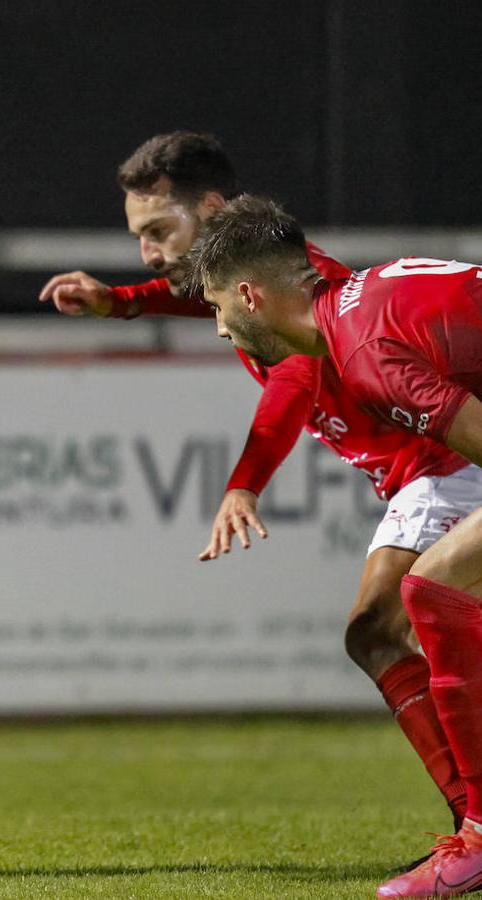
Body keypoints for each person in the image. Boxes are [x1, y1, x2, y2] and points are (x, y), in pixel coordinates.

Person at [38, 132, 470, 831]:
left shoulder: (293, 293)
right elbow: (200, 295)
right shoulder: (258, 280)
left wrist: (244, 483)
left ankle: (473, 825)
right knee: (392, 630)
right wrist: (122, 302)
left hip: (440, 462)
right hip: (424, 468)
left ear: (211, 207)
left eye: (157, 230)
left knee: (379, 628)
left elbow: (297, 375)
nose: (147, 251)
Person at [190, 194, 482, 897]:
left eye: (217, 307)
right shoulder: (365, 296)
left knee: (432, 592)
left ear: (251, 296)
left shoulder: (362, 354)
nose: (222, 328)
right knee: (429, 592)